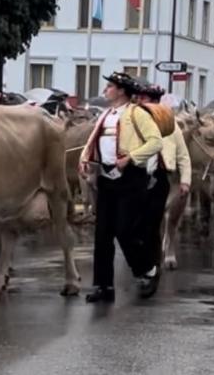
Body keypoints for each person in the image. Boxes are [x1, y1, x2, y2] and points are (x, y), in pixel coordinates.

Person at [79, 72, 164, 303]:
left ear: (122, 91)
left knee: (124, 229)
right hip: (107, 176)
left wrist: (131, 158)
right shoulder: (106, 114)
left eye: (110, 86)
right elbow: (93, 140)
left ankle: (147, 269)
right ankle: (104, 286)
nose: (105, 90)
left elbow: (155, 142)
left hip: (131, 177)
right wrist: (85, 159)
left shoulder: (137, 113)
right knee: (103, 233)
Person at [136, 83, 191, 266]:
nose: (139, 102)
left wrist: (185, 181)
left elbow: (183, 156)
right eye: (138, 98)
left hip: (164, 175)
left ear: (154, 102)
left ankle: (166, 251)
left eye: (143, 99)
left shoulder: (171, 125)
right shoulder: (132, 122)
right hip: (139, 175)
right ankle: (145, 254)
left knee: (166, 218)